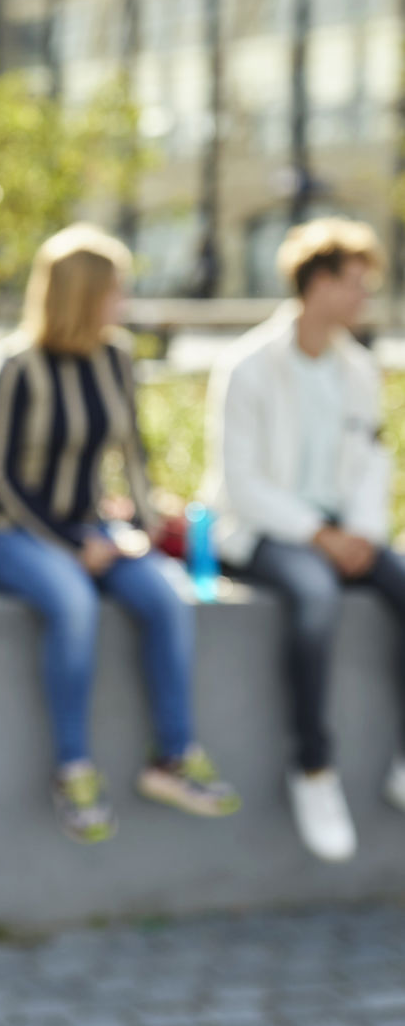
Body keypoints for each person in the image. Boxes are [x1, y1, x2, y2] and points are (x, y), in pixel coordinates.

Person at [0, 224, 240, 843]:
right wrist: (75, 546)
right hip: (20, 535)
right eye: (115, 289)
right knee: (73, 605)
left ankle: (172, 757)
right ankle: (73, 771)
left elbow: (135, 456)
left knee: (166, 596)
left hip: (98, 530)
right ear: (81, 293)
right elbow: (4, 478)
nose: (123, 301)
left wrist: (146, 530)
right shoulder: (21, 366)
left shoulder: (117, 358)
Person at [202, 216, 405, 862]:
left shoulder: (357, 368)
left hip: (345, 533)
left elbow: (371, 462)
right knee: (314, 600)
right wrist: (320, 535)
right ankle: (313, 769)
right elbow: (243, 483)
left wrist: (361, 535)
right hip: (267, 533)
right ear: (317, 284)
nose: (364, 299)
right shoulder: (247, 368)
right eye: (355, 284)